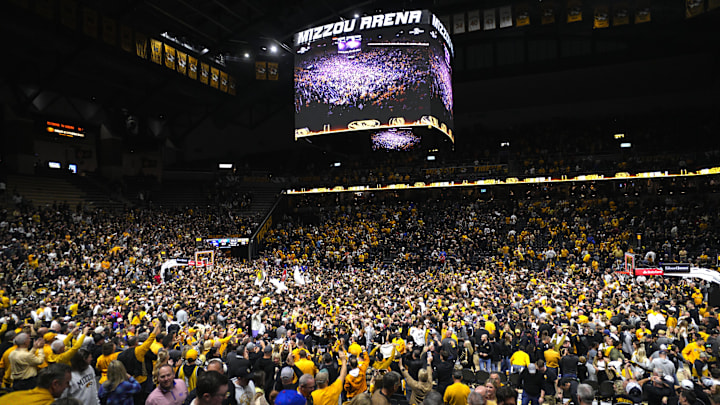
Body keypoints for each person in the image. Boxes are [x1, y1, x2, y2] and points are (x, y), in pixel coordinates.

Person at [0, 363, 71, 405]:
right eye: (67, 383)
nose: (68, 386)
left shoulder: (12, 396)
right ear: (55, 384)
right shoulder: (48, 403)